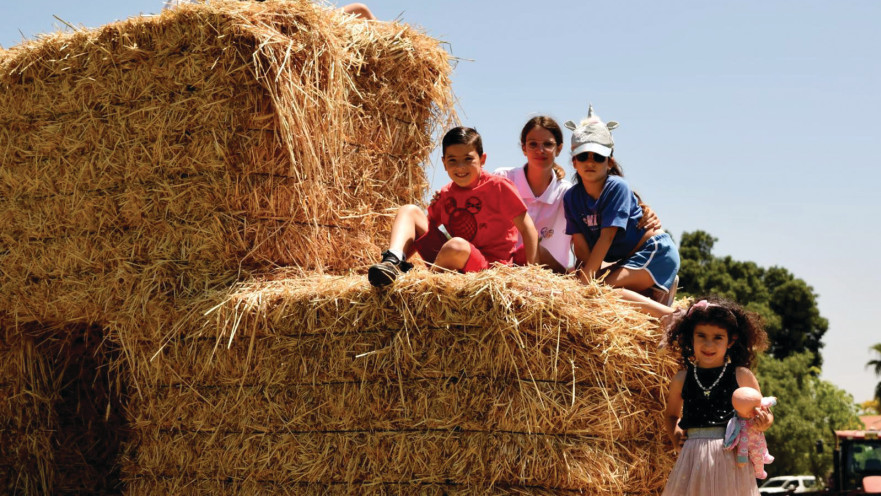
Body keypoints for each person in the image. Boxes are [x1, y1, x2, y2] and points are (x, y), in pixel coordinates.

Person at [368, 126, 538, 287]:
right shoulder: (446, 193)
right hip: (449, 263)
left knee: (456, 246)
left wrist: (532, 274)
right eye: (453, 160)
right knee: (409, 211)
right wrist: (405, 257)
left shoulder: (499, 187)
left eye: (468, 159)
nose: (460, 167)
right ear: (444, 163)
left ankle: (427, 286)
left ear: (482, 159)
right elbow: (421, 233)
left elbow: (528, 228)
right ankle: (392, 263)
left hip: (488, 270)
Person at [494, 115, 662, 274]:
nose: (540, 150)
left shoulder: (567, 194)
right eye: (533, 144)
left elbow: (602, 220)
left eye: (548, 144)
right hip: (501, 267)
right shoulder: (503, 179)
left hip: (552, 275)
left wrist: (644, 210)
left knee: (537, 252)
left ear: (559, 149)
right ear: (523, 147)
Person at [562, 105, 680, 301]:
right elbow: (581, 248)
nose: (590, 162)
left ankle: (670, 315)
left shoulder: (616, 187)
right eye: (583, 156)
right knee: (594, 290)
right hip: (627, 260)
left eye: (598, 157)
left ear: (609, 162)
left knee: (600, 290)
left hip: (654, 252)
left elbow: (606, 238)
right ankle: (652, 296)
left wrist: (586, 284)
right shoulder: (571, 197)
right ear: (574, 162)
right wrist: (584, 277)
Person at [661, 298, 773, 496]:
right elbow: (671, 415)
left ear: (731, 340)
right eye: (701, 336)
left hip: (731, 458)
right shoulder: (682, 378)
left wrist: (764, 422)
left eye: (718, 337)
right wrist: (675, 434)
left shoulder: (741, 375)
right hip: (692, 458)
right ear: (690, 338)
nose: (708, 344)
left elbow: (763, 412)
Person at [724, 387, 777, 479]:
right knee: (757, 458)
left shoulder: (754, 404)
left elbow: (766, 401)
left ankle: (765, 454)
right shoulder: (742, 426)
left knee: (763, 443)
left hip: (760, 438)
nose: (758, 410)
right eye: (752, 411)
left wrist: (773, 400)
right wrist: (742, 459)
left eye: (758, 406)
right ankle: (760, 472)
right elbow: (743, 445)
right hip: (752, 447)